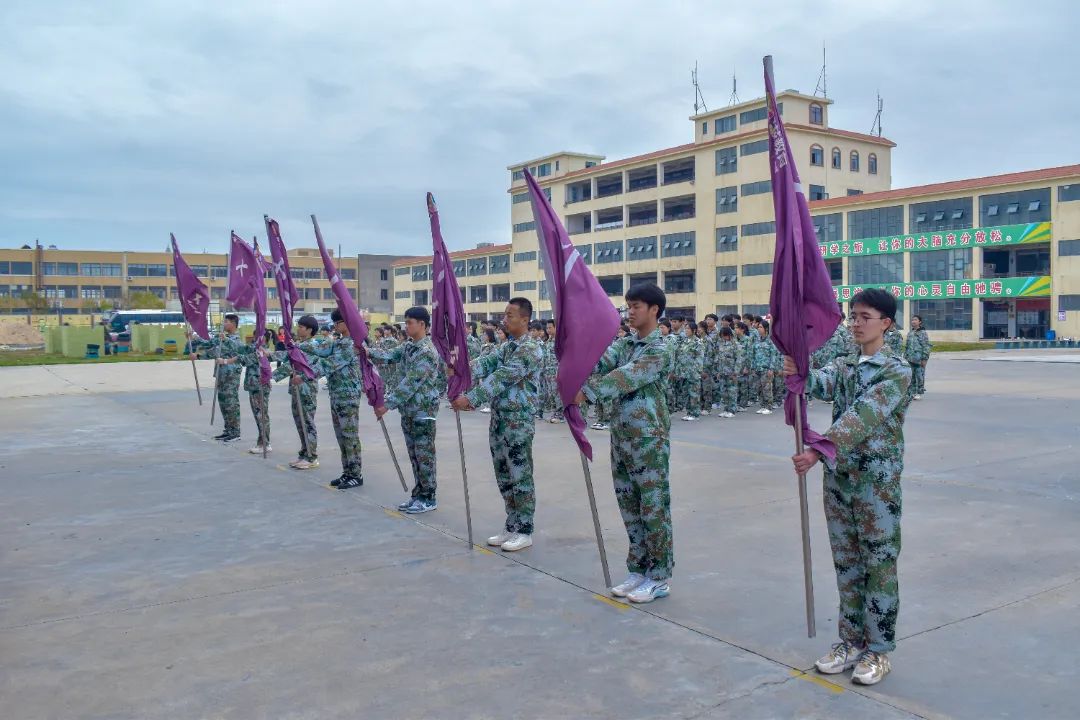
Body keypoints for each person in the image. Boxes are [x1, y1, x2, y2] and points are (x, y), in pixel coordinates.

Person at [784, 288, 911, 686]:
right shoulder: (844, 366)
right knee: (847, 564)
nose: (855, 323)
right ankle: (850, 641)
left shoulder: (897, 370)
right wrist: (795, 367)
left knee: (879, 566)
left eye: (864, 317)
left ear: (886, 323)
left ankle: (879, 649)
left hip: (876, 486)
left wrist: (820, 450)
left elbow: (863, 417)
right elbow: (814, 383)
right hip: (840, 482)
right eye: (852, 316)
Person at [579, 283, 673, 604]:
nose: (629, 312)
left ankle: (659, 576)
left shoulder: (660, 348)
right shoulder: (626, 344)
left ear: (654, 310)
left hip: (648, 439)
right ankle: (639, 569)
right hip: (622, 437)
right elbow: (600, 361)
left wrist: (588, 391)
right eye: (628, 306)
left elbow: (626, 377)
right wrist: (576, 356)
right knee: (630, 507)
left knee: (653, 506)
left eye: (636, 306)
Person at [452, 298, 542, 552]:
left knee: (520, 475)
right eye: (505, 314)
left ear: (525, 319)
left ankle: (525, 529)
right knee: (503, 475)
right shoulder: (507, 347)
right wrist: (459, 372)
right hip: (500, 420)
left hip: (518, 421)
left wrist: (471, 398)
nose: (505, 319)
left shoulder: (530, 349)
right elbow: (485, 364)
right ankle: (512, 524)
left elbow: (502, 377)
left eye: (510, 315)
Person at [369, 306, 446, 514]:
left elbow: (412, 383)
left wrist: (387, 404)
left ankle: (429, 497)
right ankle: (418, 495)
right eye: (405, 322)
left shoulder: (427, 351)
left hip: (423, 411)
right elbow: (390, 356)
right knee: (414, 455)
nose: (406, 326)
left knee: (424, 455)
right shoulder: (409, 346)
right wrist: (367, 352)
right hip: (410, 410)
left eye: (410, 322)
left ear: (422, 325)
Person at [309, 309, 365, 490]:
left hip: (348, 396)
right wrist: (295, 347)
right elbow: (318, 350)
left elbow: (330, 364)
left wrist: (306, 375)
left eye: (339, 322)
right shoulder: (338, 342)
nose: (335, 326)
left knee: (350, 437)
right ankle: (347, 472)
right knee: (341, 437)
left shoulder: (351, 345)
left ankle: (356, 474)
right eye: (335, 322)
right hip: (337, 395)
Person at [272, 315, 322, 469]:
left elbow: (298, 365)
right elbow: (288, 359)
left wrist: (272, 376)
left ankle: (312, 456)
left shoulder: (312, 346)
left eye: (301, 327)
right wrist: (269, 355)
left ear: (309, 330)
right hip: (296, 389)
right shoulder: (299, 344)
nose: (298, 329)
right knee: (300, 422)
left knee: (307, 421)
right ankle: (304, 452)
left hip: (306, 389)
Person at [188, 313, 244, 442]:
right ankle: (228, 430)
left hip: (231, 375)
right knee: (223, 403)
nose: (224, 324)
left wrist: (198, 356)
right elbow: (209, 343)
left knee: (231, 404)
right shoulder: (222, 337)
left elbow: (218, 351)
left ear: (233, 324)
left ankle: (235, 432)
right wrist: (194, 338)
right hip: (221, 374)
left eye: (226, 322)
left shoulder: (235, 339)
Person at [225, 334, 273, 454]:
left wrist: (226, 360)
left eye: (256, 335)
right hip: (256, 386)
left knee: (261, 415)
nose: (253, 338)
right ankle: (263, 442)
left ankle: (264, 443)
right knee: (260, 415)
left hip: (259, 386)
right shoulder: (259, 350)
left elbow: (244, 358)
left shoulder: (261, 351)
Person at [752, 320, 780, 415]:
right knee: (759, 388)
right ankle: (762, 405)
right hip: (757, 369)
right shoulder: (757, 340)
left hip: (766, 369)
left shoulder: (771, 341)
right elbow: (753, 354)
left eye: (760, 327)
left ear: (766, 329)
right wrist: (753, 367)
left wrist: (771, 369)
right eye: (758, 327)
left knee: (767, 388)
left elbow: (774, 355)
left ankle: (768, 406)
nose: (758, 329)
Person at [903, 315, 931, 400]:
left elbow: (926, 346)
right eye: (912, 320)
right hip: (909, 358)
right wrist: (905, 357)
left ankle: (919, 392)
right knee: (911, 376)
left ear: (920, 322)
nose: (913, 321)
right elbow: (907, 346)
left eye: (915, 320)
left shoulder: (923, 333)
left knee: (919, 376)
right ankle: (912, 392)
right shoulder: (910, 333)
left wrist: (925, 358)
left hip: (919, 359)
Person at [714, 327, 738, 418]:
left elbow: (739, 359)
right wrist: (719, 371)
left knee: (731, 391)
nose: (724, 337)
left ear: (729, 335)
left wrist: (735, 372)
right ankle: (726, 409)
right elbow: (719, 359)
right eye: (722, 336)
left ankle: (732, 410)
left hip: (731, 372)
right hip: (723, 371)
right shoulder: (721, 345)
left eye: (725, 335)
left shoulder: (735, 344)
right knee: (723, 392)